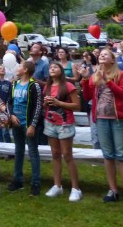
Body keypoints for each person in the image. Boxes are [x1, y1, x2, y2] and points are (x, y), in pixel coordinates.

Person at [80, 48, 123, 206]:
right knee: (108, 155)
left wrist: (108, 81)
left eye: (106, 54)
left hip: (117, 118)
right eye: (101, 55)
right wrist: (85, 80)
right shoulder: (94, 76)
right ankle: (113, 190)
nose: (102, 56)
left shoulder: (121, 75)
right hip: (101, 119)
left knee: (122, 154)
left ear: (113, 60)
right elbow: (87, 97)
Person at [43, 62, 82, 202]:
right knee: (55, 154)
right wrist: (46, 103)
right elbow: (45, 105)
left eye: (55, 67)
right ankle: (57, 185)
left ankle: (76, 188)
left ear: (61, 70)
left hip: (65, 124)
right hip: (50, 123)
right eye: (50, 67)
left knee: (67, 155)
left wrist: (59, 103)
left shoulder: (68, 86)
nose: (52, 68)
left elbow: (77, 105)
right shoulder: (47, 87)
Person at [7, 60, 43, 196]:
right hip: (16, 123)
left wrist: (32, 125)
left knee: (33, 152)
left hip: (28, 124)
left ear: (26, 70)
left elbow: (38, 106)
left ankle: (35, 182)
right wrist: (11, 116)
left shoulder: (34, 86)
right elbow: (9, 102)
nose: (17, 68)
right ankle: (17, 180)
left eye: (20, 66)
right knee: (19, 150)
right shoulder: (15, 84)